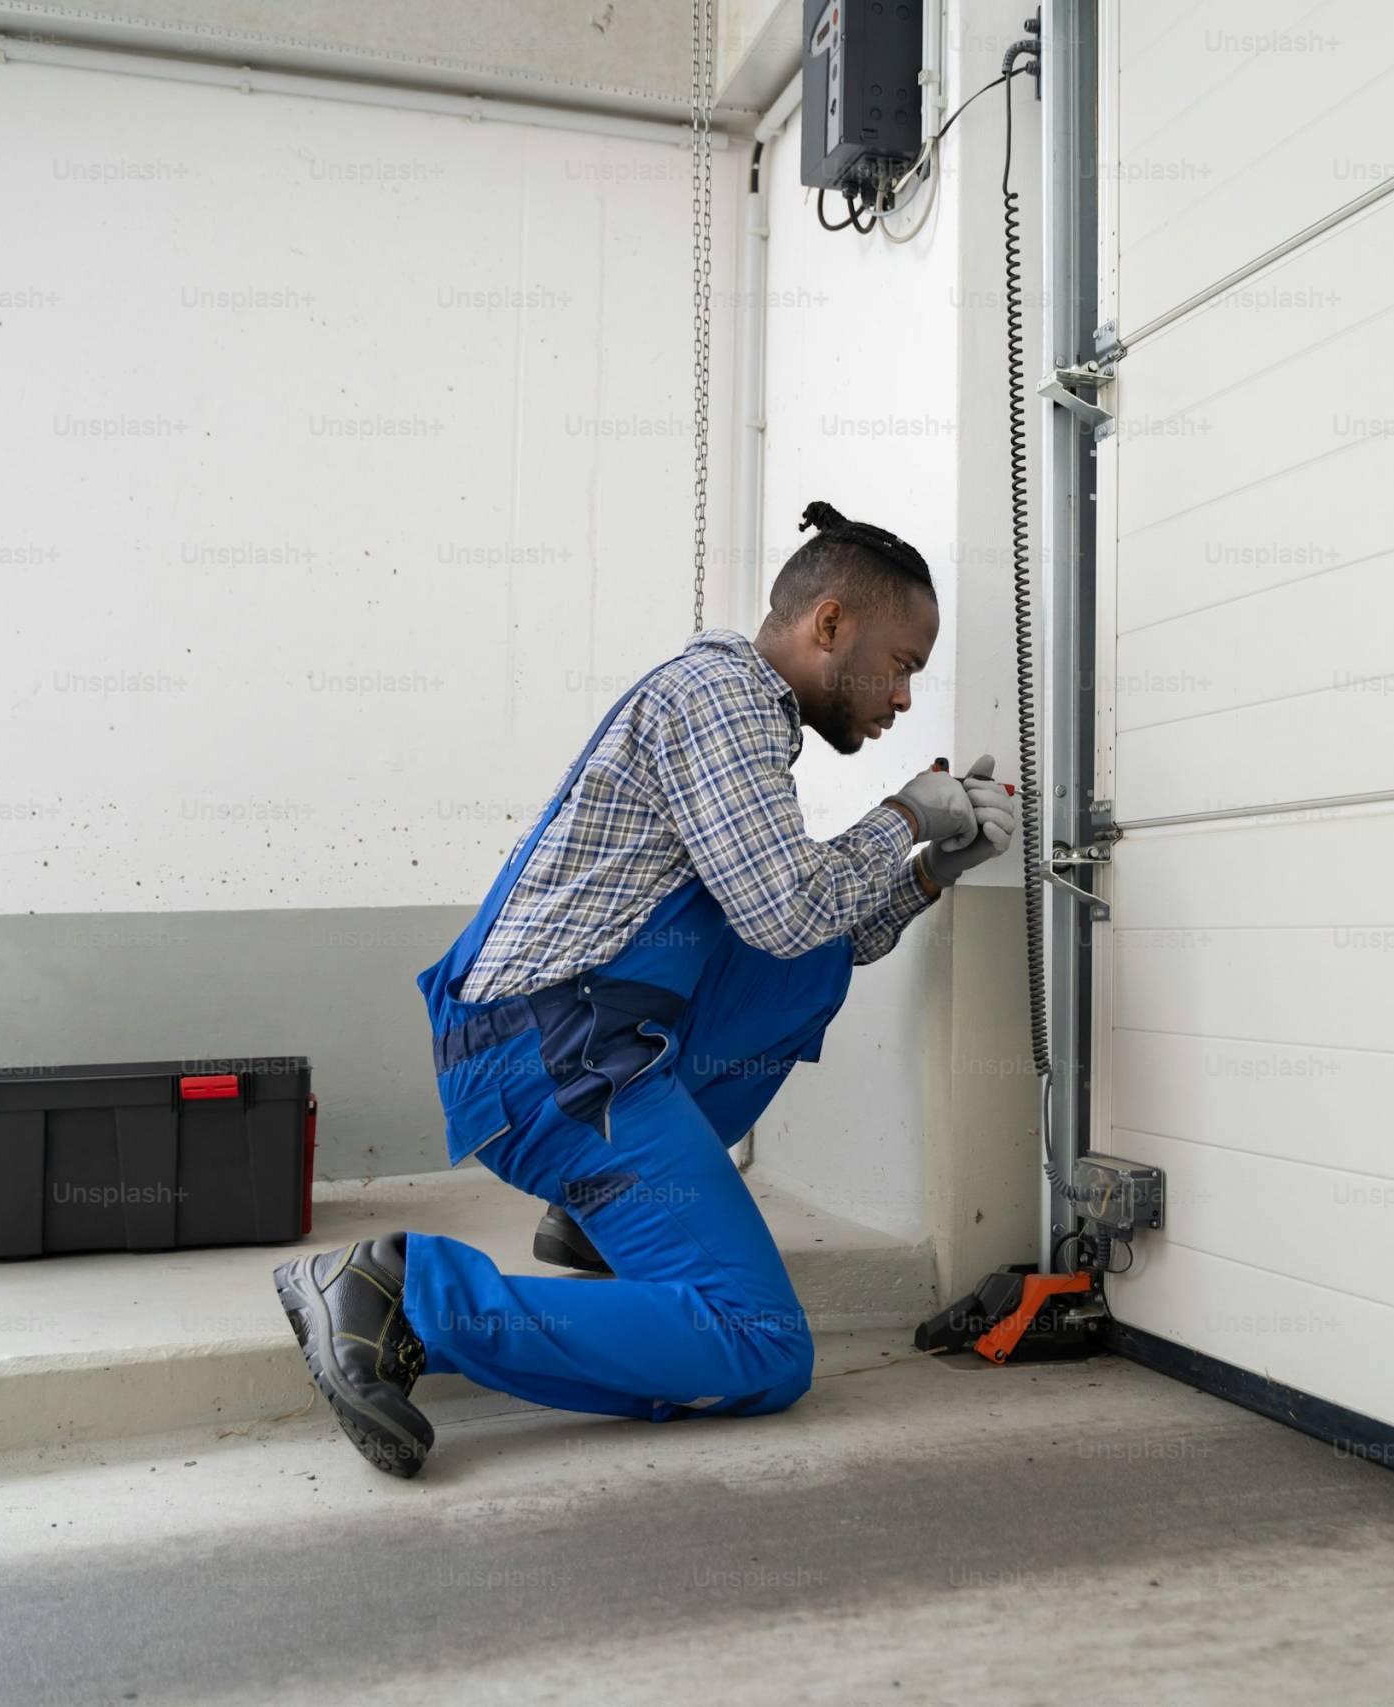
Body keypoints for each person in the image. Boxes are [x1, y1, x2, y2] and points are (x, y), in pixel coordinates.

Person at [272, 501, 1019, 1476]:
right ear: (829, 625)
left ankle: (595, 1220)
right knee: (759, 1341)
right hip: (546, 1058)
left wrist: (930, 870)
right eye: (903, 663)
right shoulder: (719, 700)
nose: (905, 699)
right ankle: (399, 1298)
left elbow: (808, 938)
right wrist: (898, 816)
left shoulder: (747, 723)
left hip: (579, 1044)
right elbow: (791, 908)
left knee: (805, 966)